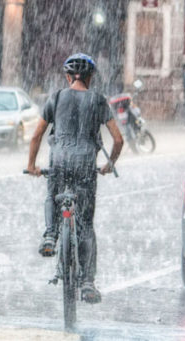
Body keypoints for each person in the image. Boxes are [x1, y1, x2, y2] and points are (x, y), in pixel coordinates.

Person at [25, 53, 124, 304]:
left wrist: (31, 165)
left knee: (52, 194)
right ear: (90, 78)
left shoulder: (56, 97)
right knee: (86, 225)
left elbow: (36, 136)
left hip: (59, 162)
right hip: (85, 166)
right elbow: (118, 139)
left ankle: (50, 235)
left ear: (68, 76)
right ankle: (88, 282)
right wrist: (109, 164)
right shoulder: (98, 100)